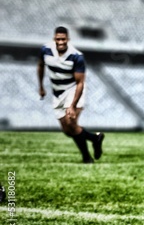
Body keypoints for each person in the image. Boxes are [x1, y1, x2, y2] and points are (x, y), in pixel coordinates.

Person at [38, 26, 104, 163]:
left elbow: (80, 82)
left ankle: (87, 158)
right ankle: (94, 138)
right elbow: (40, 66)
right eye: (58, 39)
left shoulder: (76, 56)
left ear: (68, 39)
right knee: (67, 130)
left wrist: (72, 105)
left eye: (63, 39)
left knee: (71, 123)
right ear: (54, 39)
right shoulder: (45, 50)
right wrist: (41, 86)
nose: (60, 42)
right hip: (57, 92)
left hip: (73, 90)